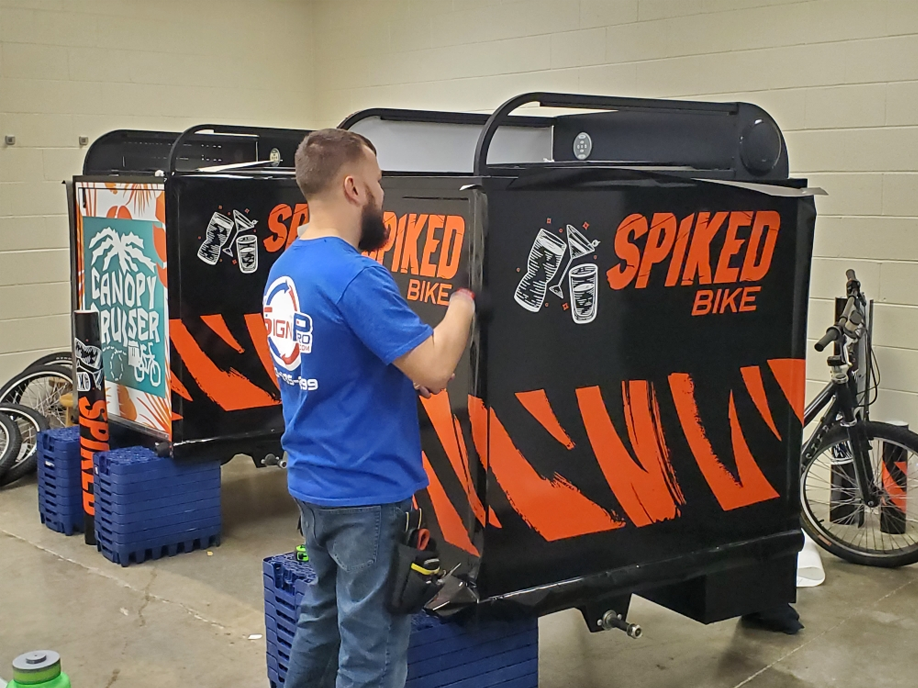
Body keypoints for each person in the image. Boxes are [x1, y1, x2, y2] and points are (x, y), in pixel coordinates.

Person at [262, 128, 477, 688]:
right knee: (372, 653)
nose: (384, 197)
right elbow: (433, 370)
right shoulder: (355, 275)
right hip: (367, 496)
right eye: (380, 185)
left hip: (313, 483)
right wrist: (463, 304)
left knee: (323, 615)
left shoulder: (287, 268)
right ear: (354, 187)